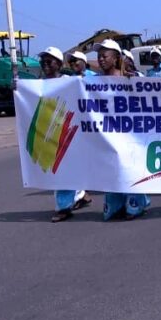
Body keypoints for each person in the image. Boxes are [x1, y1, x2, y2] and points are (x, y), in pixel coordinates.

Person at [94, 39, 151, 220]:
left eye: (105, 56)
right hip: (107, 134)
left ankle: (136, 204)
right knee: (111, 168)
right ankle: (116, 204)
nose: (101, 59)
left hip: (128, 132)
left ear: (116, 57)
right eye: (99, 56)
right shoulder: (92, 81)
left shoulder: (129, 79)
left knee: (129, 167)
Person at [38, 46, 93, 222]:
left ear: (59, 64)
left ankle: (63, 208)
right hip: (51, 132)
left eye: (49, 61)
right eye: (42, 61)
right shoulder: (39, 84)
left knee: (62, 169)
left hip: (72, 132)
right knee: (63, 168)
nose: (45, 64)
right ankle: (81, 194)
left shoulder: (70, 81)